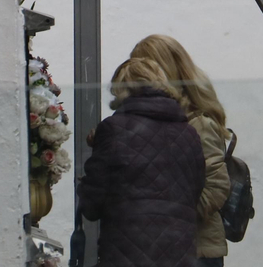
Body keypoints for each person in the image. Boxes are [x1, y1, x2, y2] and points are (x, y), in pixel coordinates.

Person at [78, 56, 206, 267]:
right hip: (180, 256)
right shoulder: (190, 133)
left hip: (126, 256)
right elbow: (196, 191)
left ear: (121, 89)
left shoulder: (113, 129)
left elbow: (92, 205)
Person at [131, 35, 233, 266]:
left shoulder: (199, 123)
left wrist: (168, 215)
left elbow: (216, 188)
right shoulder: (151, 120)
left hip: (196, 251)